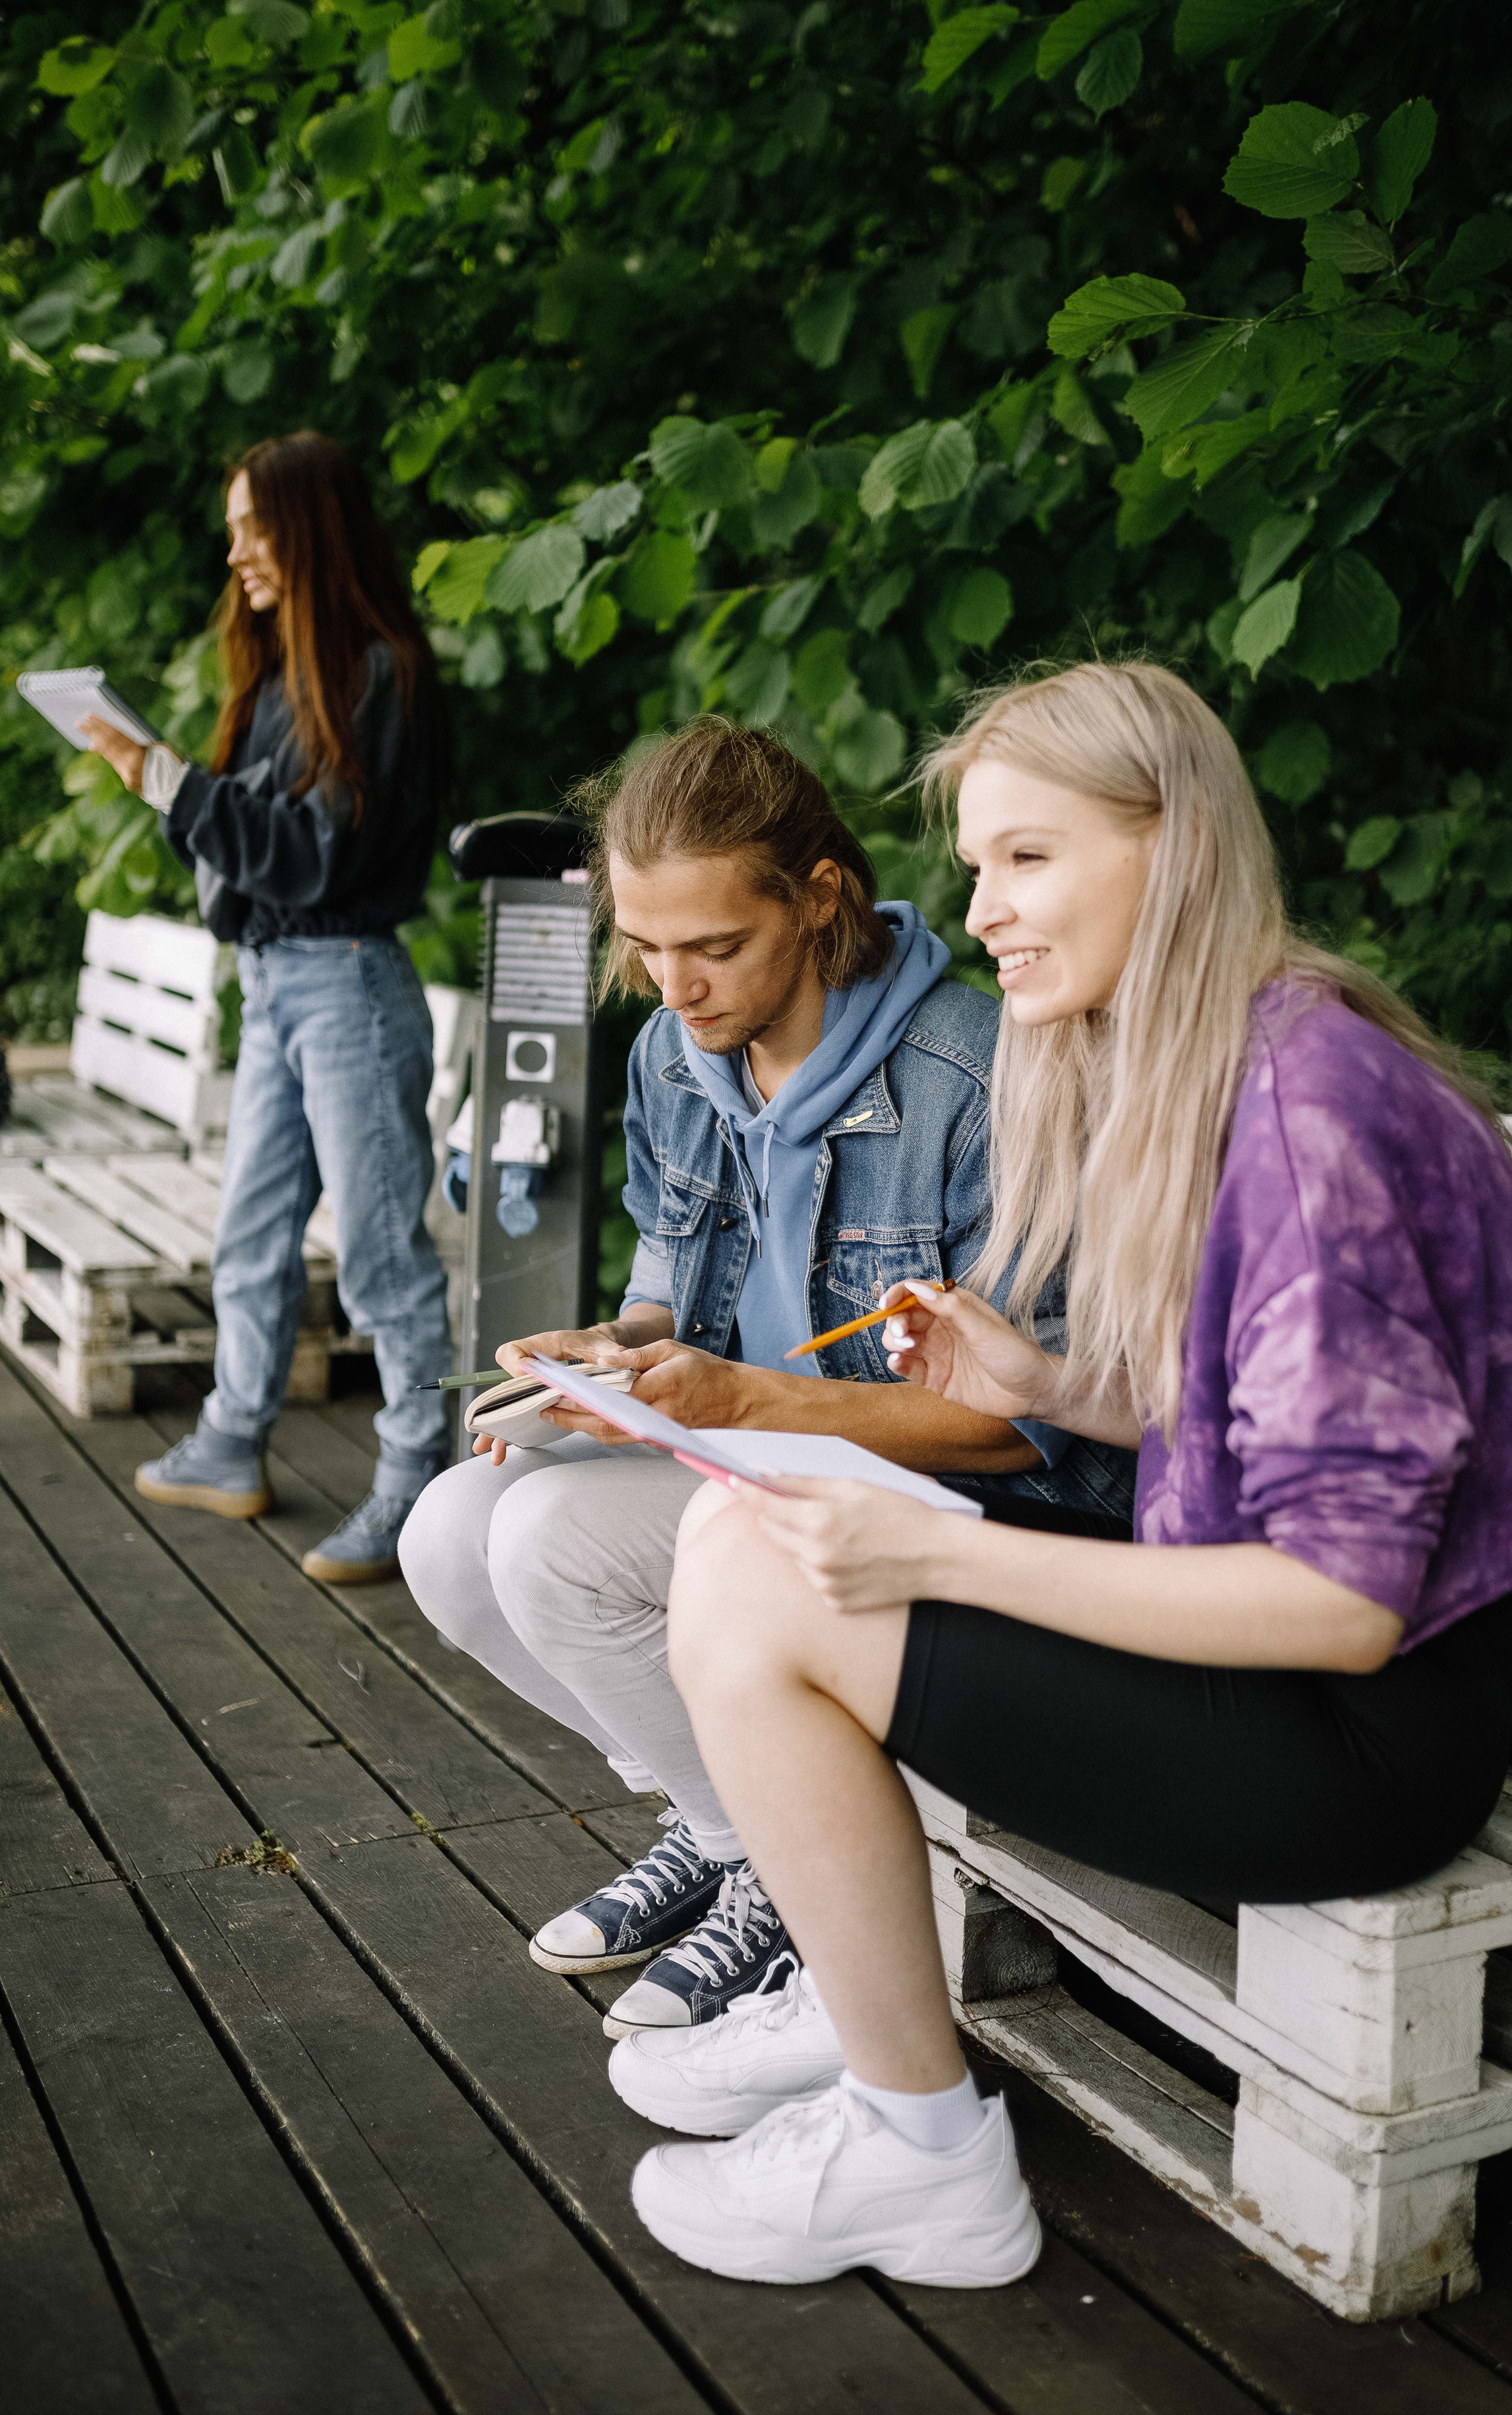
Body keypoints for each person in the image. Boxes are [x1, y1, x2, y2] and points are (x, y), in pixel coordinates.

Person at [604, 658, 1512, 2291]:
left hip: (1360, 1743)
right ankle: (874, 2065)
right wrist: (1059, 1389)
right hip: (1308, 1686)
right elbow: (1298, 1434)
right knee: (755, 1534)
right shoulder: (1237, 1051)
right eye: (975, 864)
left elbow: (1343, 1598)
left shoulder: (1310, 1109)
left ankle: (917, 2150)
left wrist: (929, 1556)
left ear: (1175, 845)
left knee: (757, 1567)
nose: (982, 907)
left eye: (1028, 856)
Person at [399, 718, 1136, 2035]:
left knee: (556, 1541)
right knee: (450, 1526)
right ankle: (728, 1831)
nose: (673, 986)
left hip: (969, 1510)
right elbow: (669, 1289)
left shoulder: (981, 1074)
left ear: (817, 899)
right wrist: (610, 1356)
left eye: (714, 947)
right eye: (644, 946)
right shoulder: (676, 1057)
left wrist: (733, 1398)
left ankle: (790, 1876)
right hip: (757, 1460)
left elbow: (1041, 1433)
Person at [80, 431, 453, 1581]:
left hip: (347, 982)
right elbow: (248, 864)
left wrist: (165, 782)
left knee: (381, 1252)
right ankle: (232, 1441)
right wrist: (182, 786)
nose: (235, 549)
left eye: (254, 525)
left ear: (311, 527)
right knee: (249, 1236)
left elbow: (312, 855)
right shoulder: (281, 683)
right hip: (278, 985)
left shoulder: (384, 671)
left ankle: (415, 1484)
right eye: (233, 527)